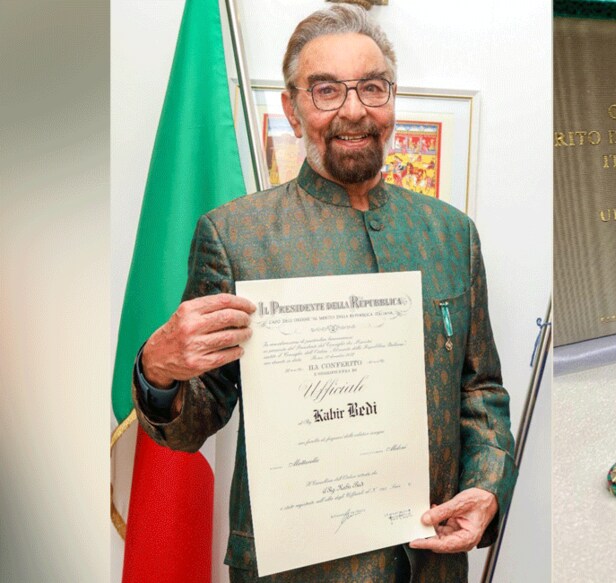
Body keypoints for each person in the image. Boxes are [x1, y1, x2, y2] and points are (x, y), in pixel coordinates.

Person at [130, 4, 516, 581]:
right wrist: (157, 370)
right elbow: (194, 423)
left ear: (392, 99)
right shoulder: (235, 237)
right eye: (327, 90)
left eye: (372, 88)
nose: (354, 110)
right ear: (292, 109)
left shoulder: (451, 235)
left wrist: (488, 487)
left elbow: (480, 388)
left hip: (431, 564)